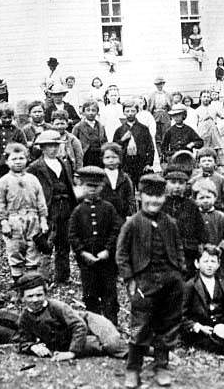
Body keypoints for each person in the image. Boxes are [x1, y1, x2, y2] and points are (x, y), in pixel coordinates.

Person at [116, 174, 186, 389]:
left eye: (159, 196)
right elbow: (121, 254)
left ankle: (162, 365)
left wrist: (179, 272)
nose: (154, 201)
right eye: (149, 196)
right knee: (141, 327)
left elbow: (179, 249)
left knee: (168, 324)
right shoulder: (133, 223)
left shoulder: (170, 223)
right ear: (140, 196)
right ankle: (133, 368)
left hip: (170, 281)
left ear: (164, 198)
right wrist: (130, 280)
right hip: (144, 282)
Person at [15, 272, 127, 360]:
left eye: (39, 295)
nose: (35, 300)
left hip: (89, 322)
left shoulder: (56, 307)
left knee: (113, 345)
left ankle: (136, 349)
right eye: (30, 296)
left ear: (45, 294)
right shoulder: (24, 317)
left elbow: (79, 325)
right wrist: (33, 346)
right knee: (98, 348)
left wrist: (72, 353)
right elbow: (22, 340)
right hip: (72, 337)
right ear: (22, 298)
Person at [69, 166, 123, 324]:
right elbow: (72, 235)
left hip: (107, 262)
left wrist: (107, 250)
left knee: (110, 295)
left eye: (95, 186)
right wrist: (83, 253)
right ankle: (94, 324)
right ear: (81, 187)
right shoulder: (78, 211)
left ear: (102, 187)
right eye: (87, 186)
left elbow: (116, 230)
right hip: (87, 263)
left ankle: (112, 324)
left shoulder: (108, 208)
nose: (91, 190)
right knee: (90, 295)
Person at [0, 143, 48, 284]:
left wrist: (43, 220)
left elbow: (40, 201)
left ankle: (32, 285)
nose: (18, 162)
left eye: (21, 158)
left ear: (27, 159)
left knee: (33, 250)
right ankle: (18, 284)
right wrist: (3, 222)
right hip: (14, 220)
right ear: (7, 161)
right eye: (14, 159)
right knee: (15, 250)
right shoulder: (3, 181)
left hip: (33, 219)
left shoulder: (33, 179)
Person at [27, 130, 76, 283]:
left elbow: (69, 185)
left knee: (64, 242)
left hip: (65, 206)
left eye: (56, 145)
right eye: (49, 146)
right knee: (46, 242)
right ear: (42, 148)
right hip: (48, 207)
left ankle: (63, 276)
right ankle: (44, 277)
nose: (53, 149)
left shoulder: (64, 163)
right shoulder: (35, 167)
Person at [162, 162, 208, 280]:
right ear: (166, 184)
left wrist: (201, 246)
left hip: (187, 254)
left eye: (181, 183)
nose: (177, 186)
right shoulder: (160, 205)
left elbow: (201, 231)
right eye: (173, 182)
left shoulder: (191, 206)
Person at [191, 179, 224, 278]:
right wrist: (196, 248)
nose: (205, 200)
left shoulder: (221, 217)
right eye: (201, 198)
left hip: (218, 255)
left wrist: (220, 248)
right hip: (198, 254)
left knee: (219, 279)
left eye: (208, 197)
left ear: (215, 198)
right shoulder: (192, 216)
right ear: (195, 200)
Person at [113, 99, 154, 185]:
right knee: (128, 188)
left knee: (142, 186)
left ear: (137, 112)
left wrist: (148, 163)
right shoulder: (119, 130)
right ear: (123, 112)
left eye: (133, 111)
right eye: (127, 111)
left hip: (140, 163)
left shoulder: (143, 129)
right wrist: (122, 139)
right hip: (126, 164)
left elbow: (150, 147)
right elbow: (114, 148)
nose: (130, 113)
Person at [0, 103, 27, 196]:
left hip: (13, 164)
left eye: (10, 117)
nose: (7, 120)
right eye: (4, 117)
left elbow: (24, 148)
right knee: (0, 189)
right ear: (0, 117)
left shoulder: (18, 132)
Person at [98, 142, 135, 221]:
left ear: (119, 159)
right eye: (107, 157)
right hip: (103, 217)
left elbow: (130, 199)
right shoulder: (99, 177)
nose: (111, 160)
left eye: (114, 157)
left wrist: (130, 214)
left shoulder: (125, 178)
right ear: (102, 159)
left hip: (121, 217)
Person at [190, 147, 224, 212]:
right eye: (204, 161)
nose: (207, 163)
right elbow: (192, 197)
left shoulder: (221, 179)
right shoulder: (195, 180)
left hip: (217, 209)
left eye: (209, 160)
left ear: (215, 162)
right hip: (199, 211)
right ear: (199, 163)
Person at [72, 100, 107, 167]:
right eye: (88, 110)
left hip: (99, 156)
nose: (91, 113)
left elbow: (105, 142)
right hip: (85, 156)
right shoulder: (78, 127)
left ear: (97, 112)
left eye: (93, 110)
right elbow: (73, 144)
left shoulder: (101, 126)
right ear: (83, 112)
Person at [146, 77, 172, 158]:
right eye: (157, 84)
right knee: (157, 135)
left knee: (166, 135)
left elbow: (171, 106)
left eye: (161, 84)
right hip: (155, 115)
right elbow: (149, 107)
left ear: (163, 84)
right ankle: (159, 154)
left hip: (165, 115)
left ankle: (166, 154)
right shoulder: (151, 95)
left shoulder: (168, 94)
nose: (159, 86)